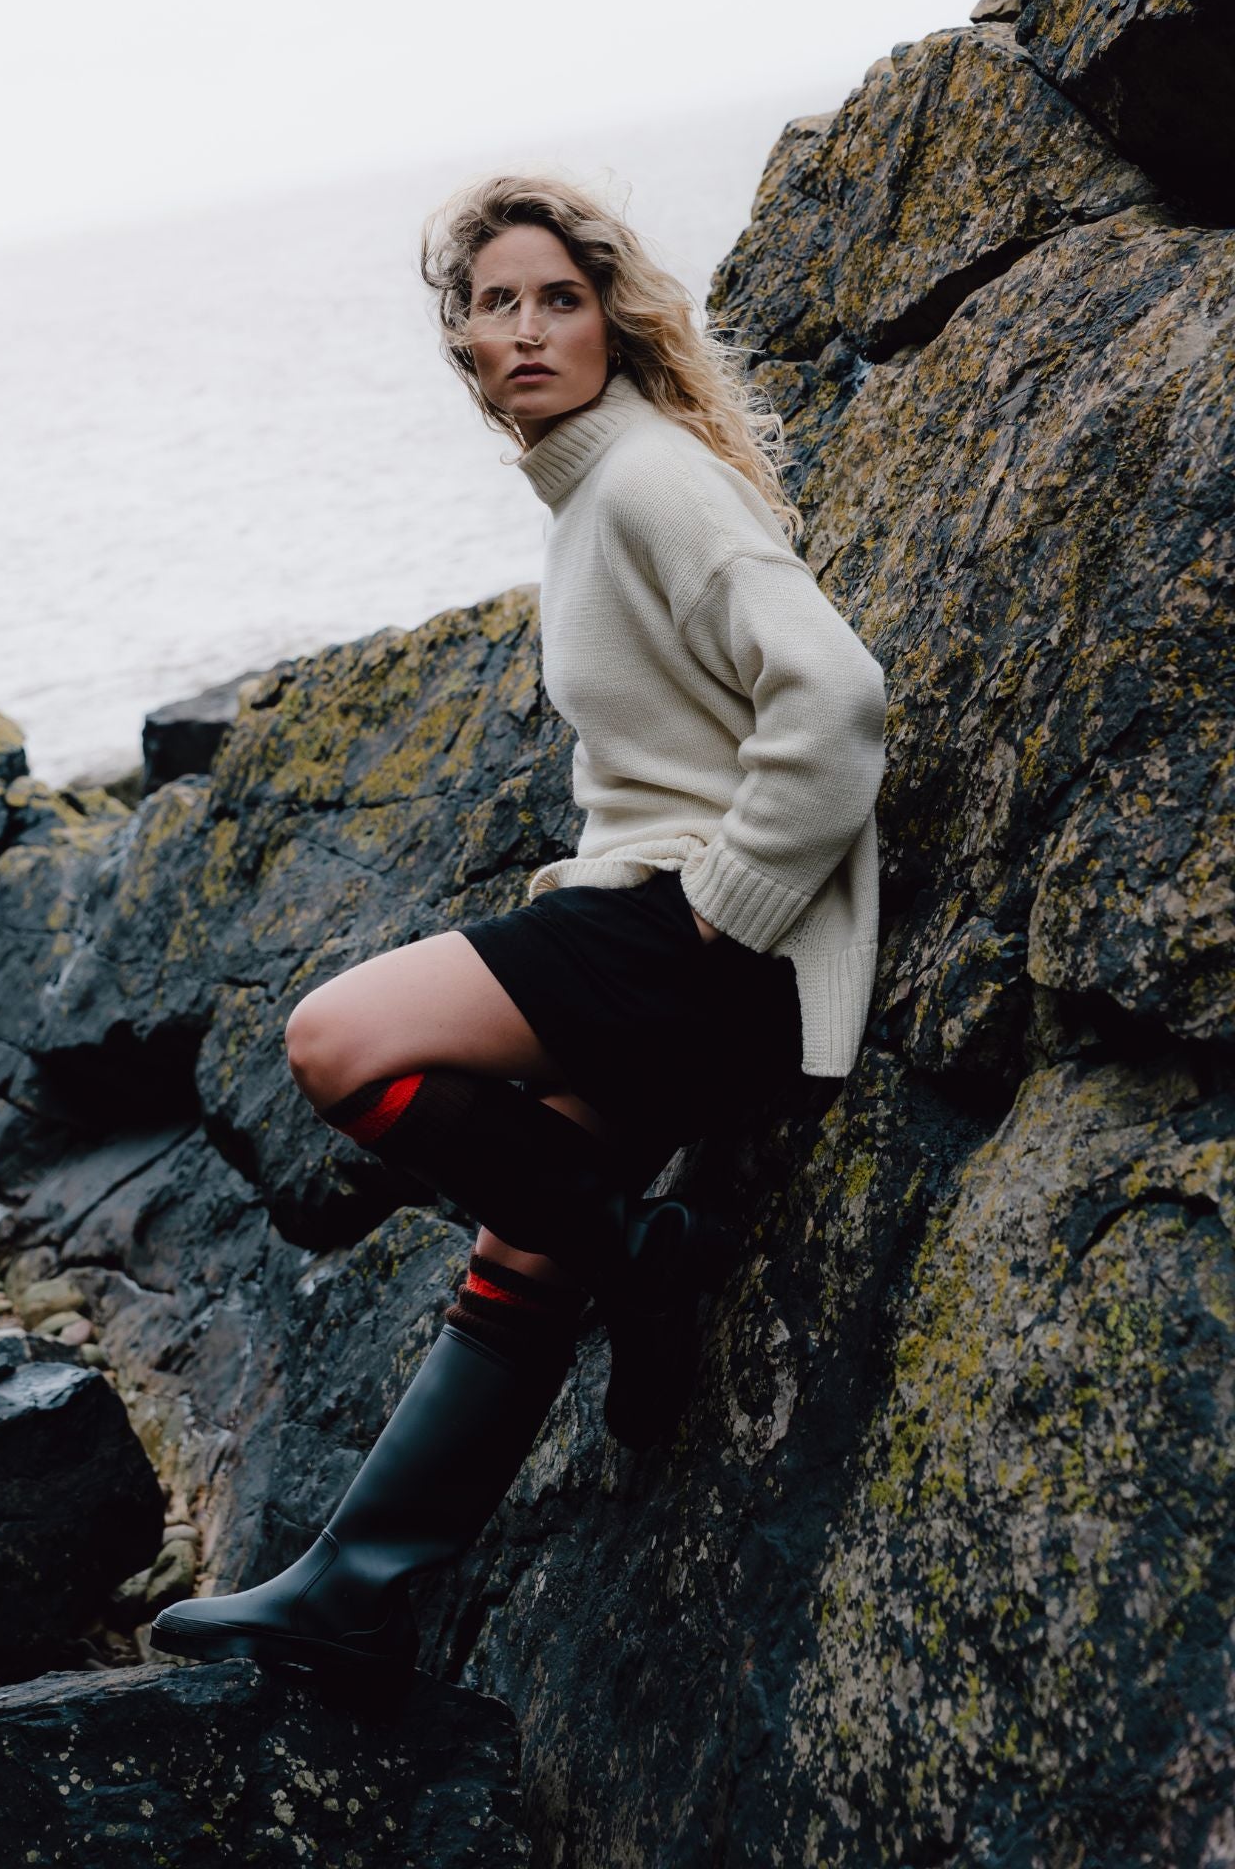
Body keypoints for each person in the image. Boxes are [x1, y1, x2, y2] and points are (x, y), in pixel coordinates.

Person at [151, 173, 887, 1695]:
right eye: (500, 305)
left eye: (560, 296)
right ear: (467, 348)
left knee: (338, 1039)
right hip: (674, 931)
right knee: (518, 1246)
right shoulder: (594, 493)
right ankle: (352, 1594)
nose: (531, 326)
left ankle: (644, 1261)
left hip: (703, 939)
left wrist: (721, 911)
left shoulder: (649, 485)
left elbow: (838, 696)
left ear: (610, 317)